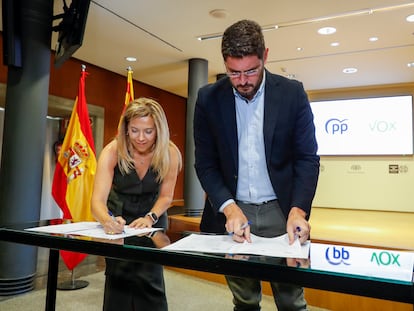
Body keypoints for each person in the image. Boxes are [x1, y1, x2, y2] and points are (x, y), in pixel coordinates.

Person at [193, 20, 319, 311]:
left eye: (251, 70)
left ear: (266, 55)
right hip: (234, 212)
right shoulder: (208, 99)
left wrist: (298, 209)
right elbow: (206, 164)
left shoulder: (292, 94)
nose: (243, 80)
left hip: (282, 211)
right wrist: (228, 207)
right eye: (234, 73)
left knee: (291, 301)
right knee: (245, 300)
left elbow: (307, 158)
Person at [91, 97, 182, 311]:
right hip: (118, 218)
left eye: (148, 131)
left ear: (158, 130)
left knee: (150, 279)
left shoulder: (170, 153)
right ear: (126, 129)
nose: (141, 138)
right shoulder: (112, 151)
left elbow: (166, 197)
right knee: (118, 279)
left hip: (153, 216)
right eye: (134, 130)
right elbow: (97, 201)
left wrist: (150, 218)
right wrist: (107, 220)